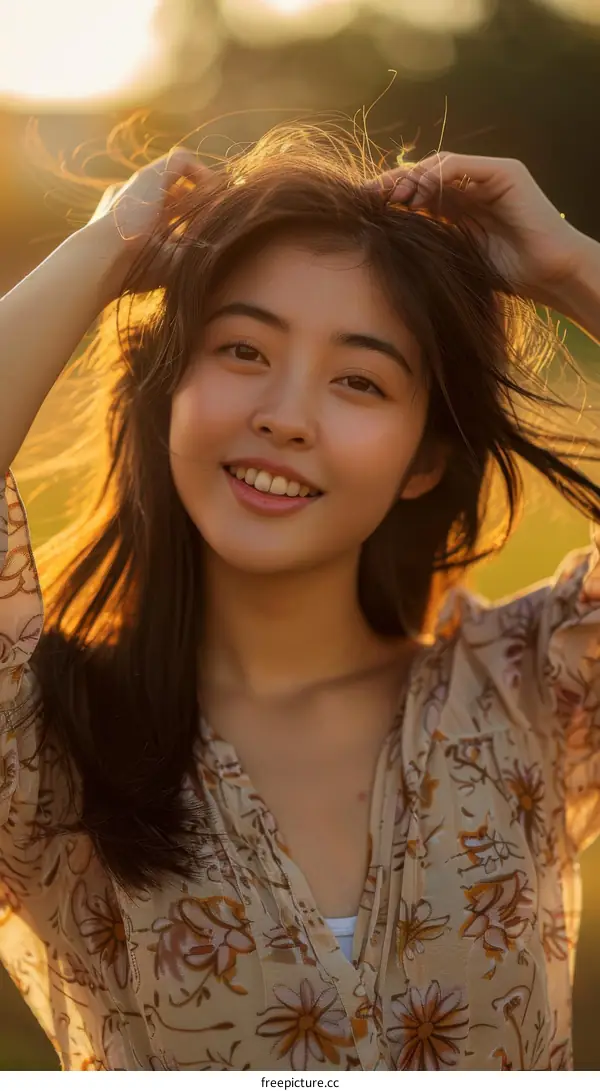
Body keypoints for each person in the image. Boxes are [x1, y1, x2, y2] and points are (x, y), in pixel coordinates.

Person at [1, 122, 600, 1073]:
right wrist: (102, 253)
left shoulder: (535, 684)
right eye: (242, 350)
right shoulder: (45, 741)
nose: (284, 414)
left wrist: (568, 266)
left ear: (423, 459)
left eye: (359, 379)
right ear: (171, 393)